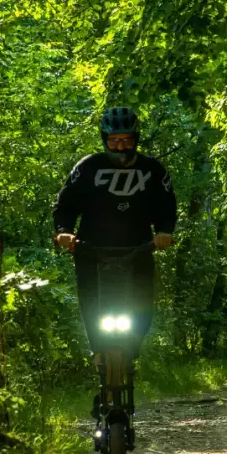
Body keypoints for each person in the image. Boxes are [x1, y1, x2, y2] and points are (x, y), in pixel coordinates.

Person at [52, 107, 177, 399]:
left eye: (126, 140)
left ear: (136, 138)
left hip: (138, 249)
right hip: (91, 250)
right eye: (113, 140)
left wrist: (164, 231)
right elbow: (65, 204)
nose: (120, 146)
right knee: (92, 307)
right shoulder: (88, 167)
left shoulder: (153, 170)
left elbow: (167, 204)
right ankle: (99, 357)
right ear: (104, 139)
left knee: (142, 309)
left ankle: (129, 354)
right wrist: (63, 232)